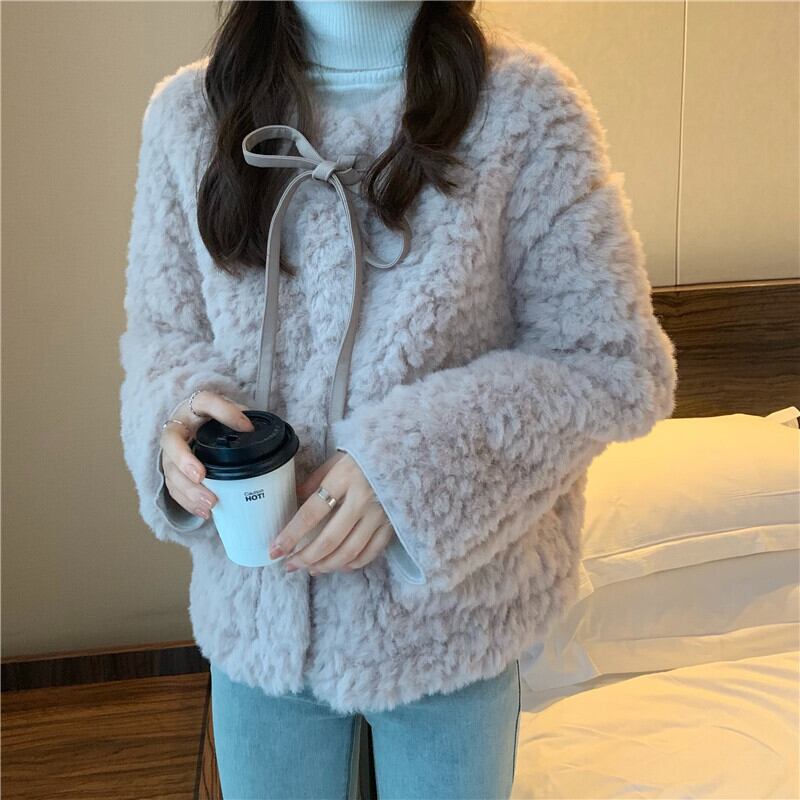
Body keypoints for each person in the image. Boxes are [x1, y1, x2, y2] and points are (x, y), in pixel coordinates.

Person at [118, 1, 678, 798]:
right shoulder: (188, 118)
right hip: (257, 614)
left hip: (452, 623)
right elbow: (162, 333)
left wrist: (409, 471)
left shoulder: (524, 109)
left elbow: (612, 361)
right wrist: (173, 423)